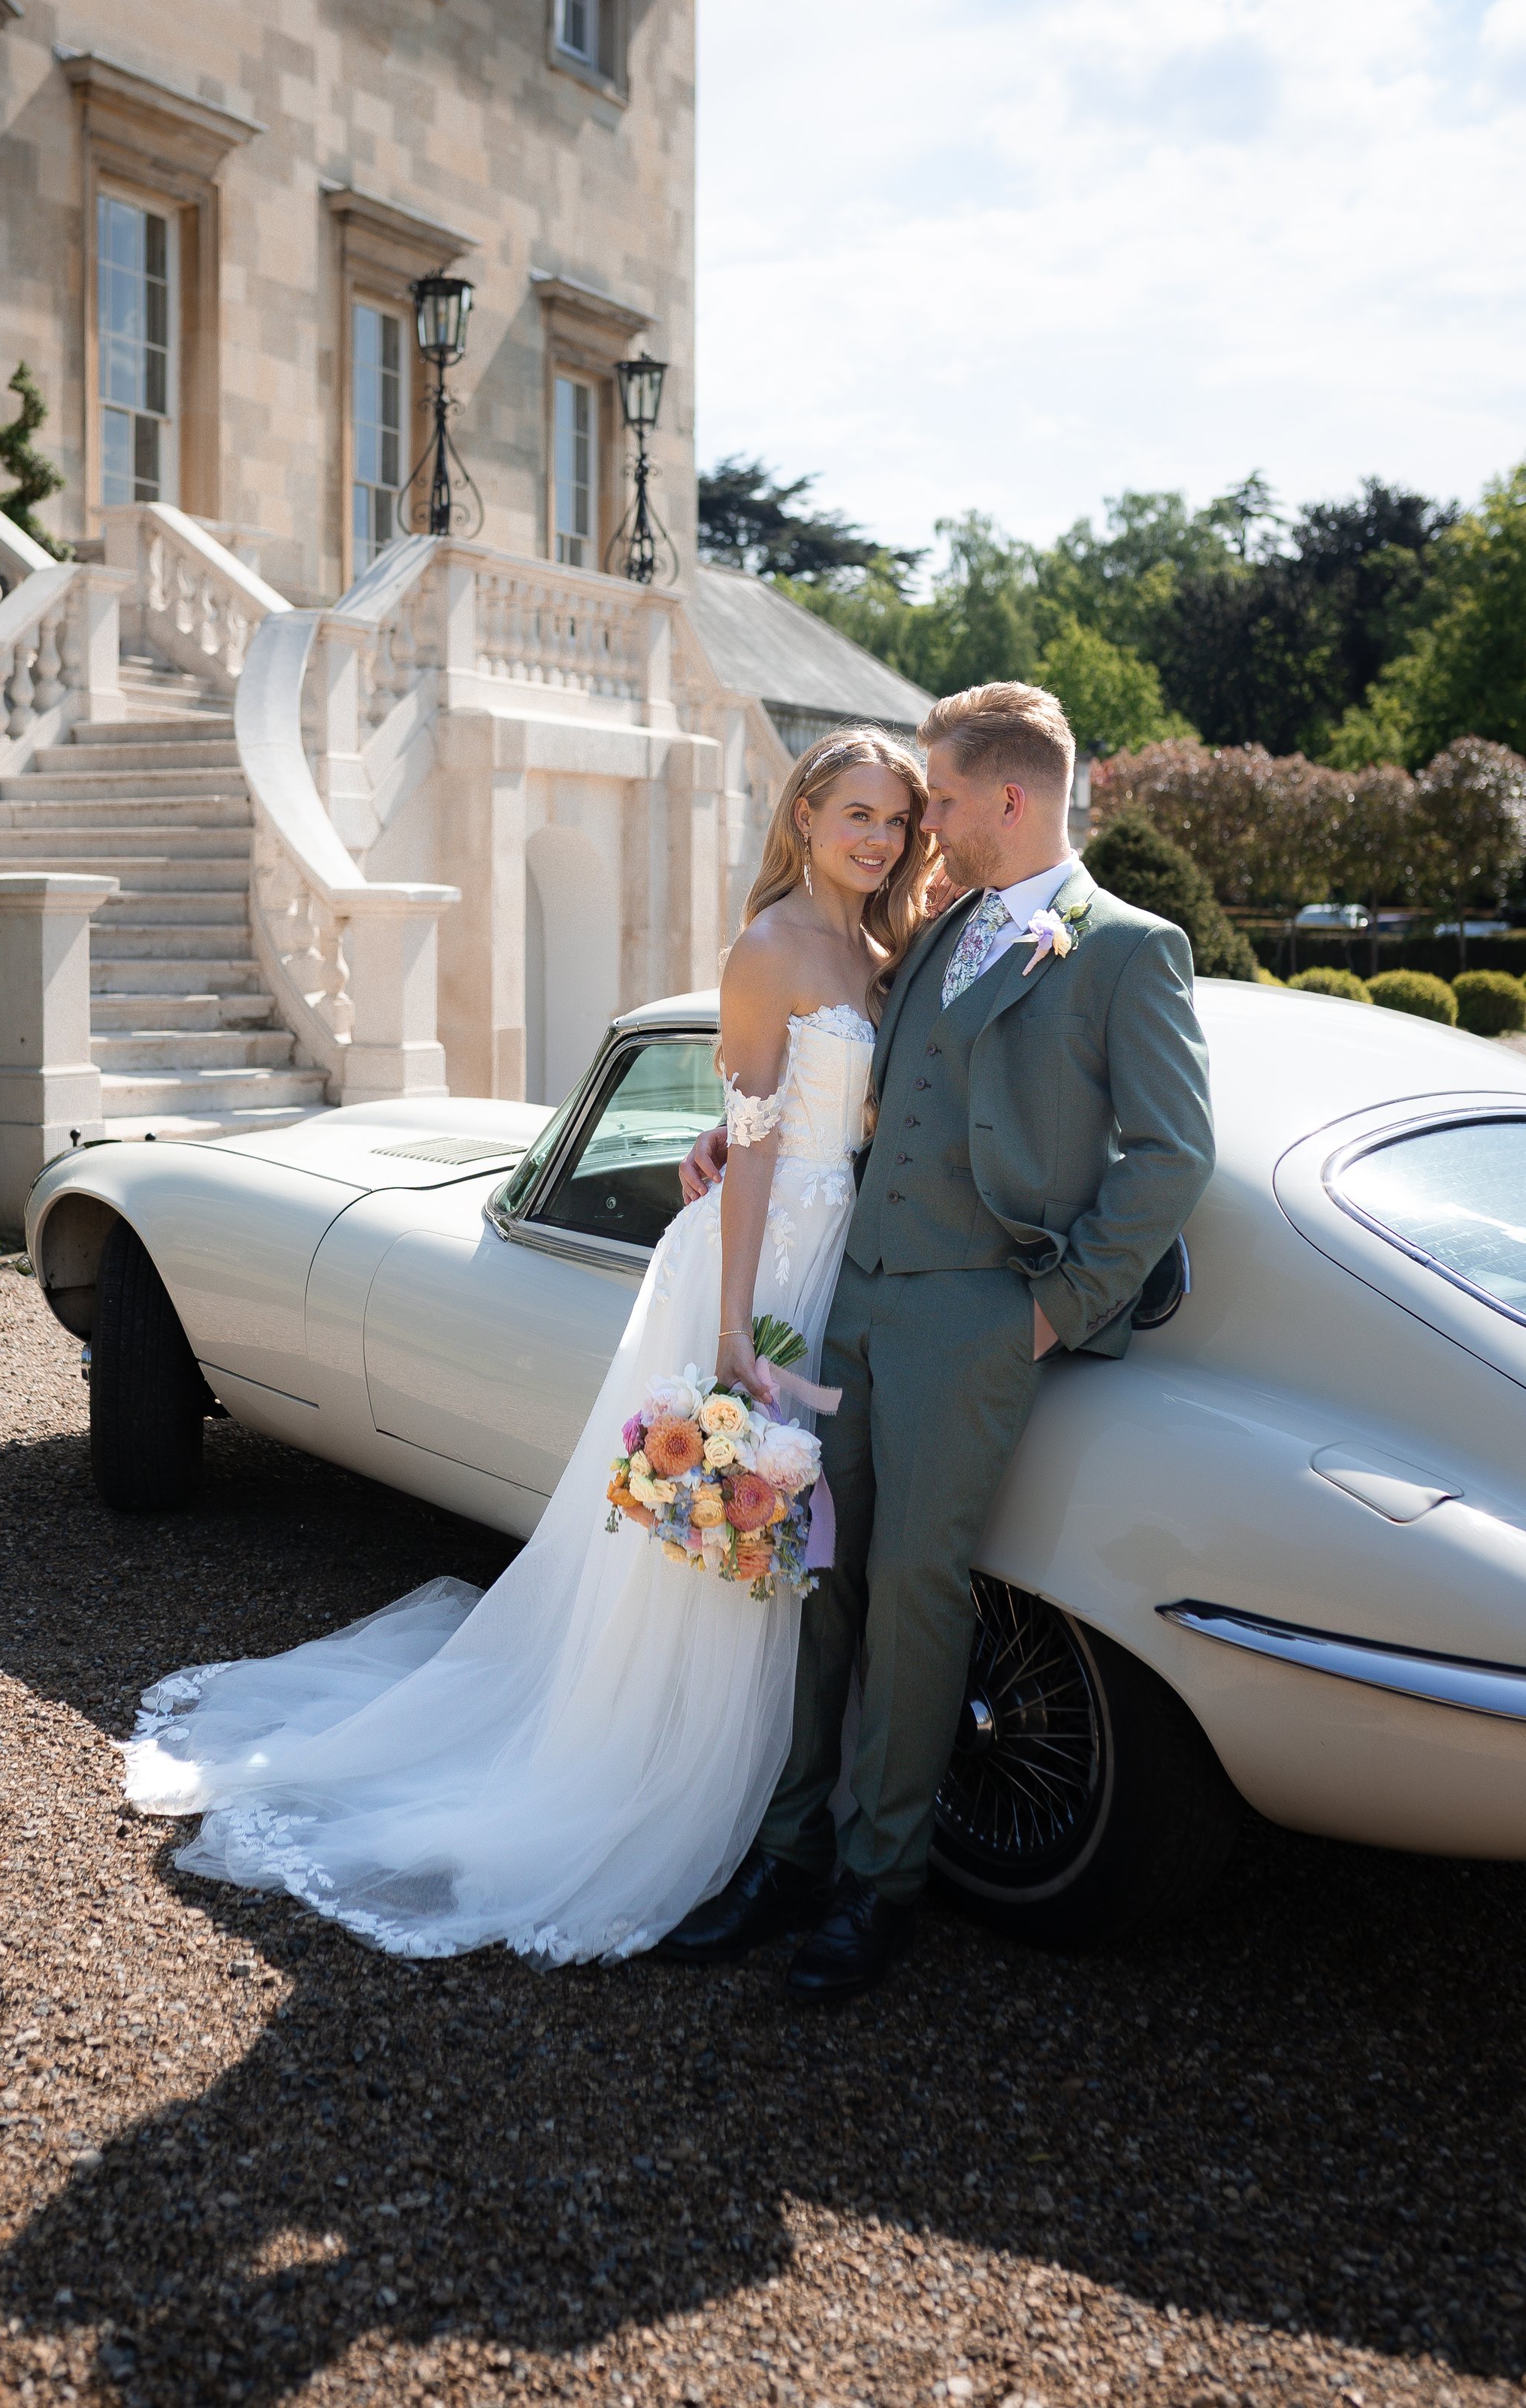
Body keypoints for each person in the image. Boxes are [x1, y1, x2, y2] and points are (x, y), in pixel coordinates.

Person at [122, 729, 936, 1962]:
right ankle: (688, 1785)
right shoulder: (769, 946)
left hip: (841, 1256)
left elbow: (817, 1124)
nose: (876, 841)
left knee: (794, 1546)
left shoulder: (886, 951)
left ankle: (792, 1790)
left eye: (894, 822)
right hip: (760, 1266)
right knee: (719, 1541)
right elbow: (757, 1141)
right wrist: (731, 1335)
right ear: (807, 813)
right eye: (858, 815)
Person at [660, 680, 1216, 1998]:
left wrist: (1050, 1309)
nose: (927, 828)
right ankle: (788, 1853)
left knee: (915, 1591)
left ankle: (879, 1884)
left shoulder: (1129, 948)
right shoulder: (937, 925)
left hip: (977, 1317)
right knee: (821, 1572)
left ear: (1007, 799)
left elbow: (1173, 1154)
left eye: (945, 802)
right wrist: (728, 1137)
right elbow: (848, 1098)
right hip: (851, 1297)